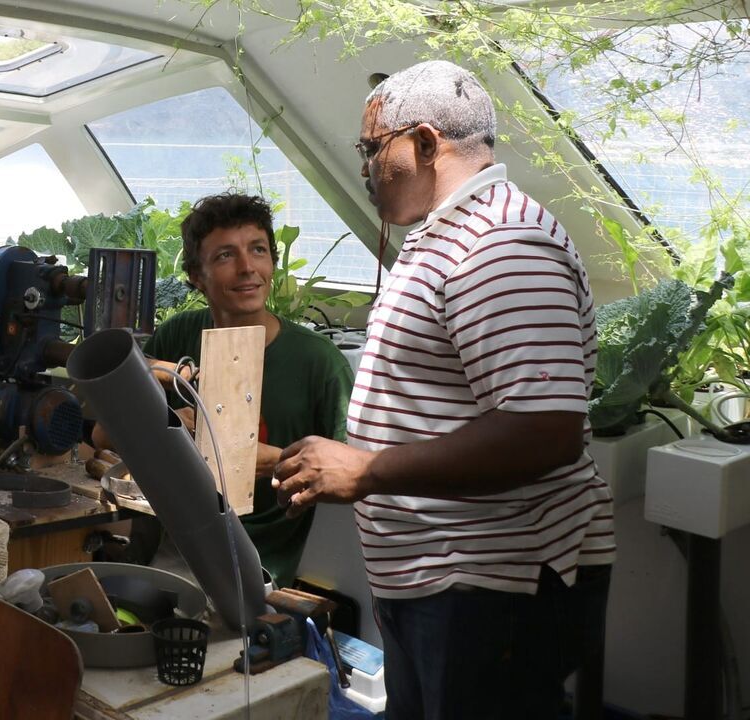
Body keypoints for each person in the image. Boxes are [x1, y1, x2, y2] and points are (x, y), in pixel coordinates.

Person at [272, 60, 615, 718]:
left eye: (371, 149)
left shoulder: (501, 244)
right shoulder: (448, 233)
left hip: (489, 588)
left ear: (426, 143)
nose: (364, 169)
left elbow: (544, 432)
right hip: (439, 583)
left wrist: (367, 470)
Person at [94, 192, 353, 588]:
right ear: (197, 276)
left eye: (258, 250)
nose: (248, 268)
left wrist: (252, 455)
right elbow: (103, 435)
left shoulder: (319, 363)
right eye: (225, 256)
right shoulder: (179, 335)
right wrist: (167, 423)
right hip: (170, 543)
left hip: (257, 567)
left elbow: (348, 482)